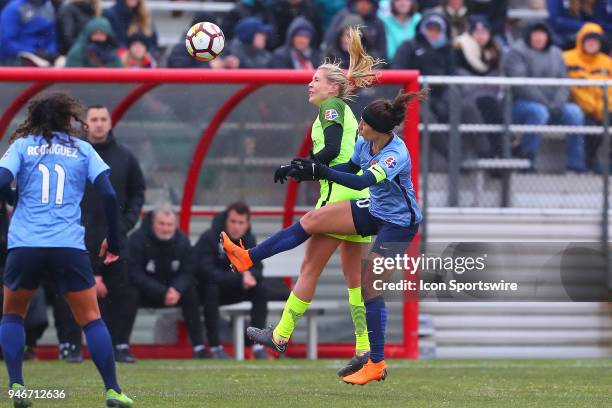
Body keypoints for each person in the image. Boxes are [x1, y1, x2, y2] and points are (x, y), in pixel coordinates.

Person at [223, 90, 425, 385]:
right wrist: (307, 172)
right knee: (312, 219)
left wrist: (322, 170)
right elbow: (350, 168)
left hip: (399, 224)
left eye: (364, 123)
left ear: (379, 129)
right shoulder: (366, 141)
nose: (359, 124)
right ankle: (246, 257)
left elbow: (362, 180)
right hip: (375, 210)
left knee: (369, 285)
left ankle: (376, 363)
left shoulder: (395, 153)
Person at [249, 26, 383, 377]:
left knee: (307, 241)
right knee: (351, 279)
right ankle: (364, 348)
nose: (310, 84)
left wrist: (307, 167)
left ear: (333, 87)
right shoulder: (337, 107)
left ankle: (248, 261)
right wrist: (303, 167)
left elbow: (334, 149)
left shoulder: (333, 106)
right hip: (358, 197)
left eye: (316, 80)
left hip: (342, 197)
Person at [0, 92, 133, 407]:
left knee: (12, 315)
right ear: (67, 119)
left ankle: (18, 388)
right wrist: (113, 241)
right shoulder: (83, 149)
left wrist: (13, 199)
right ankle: (112, 390)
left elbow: (2, 179)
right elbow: (111, 196)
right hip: (67, 245)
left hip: (26, 244)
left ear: (36, 119)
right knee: (91, 318)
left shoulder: (22, 146)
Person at [502, 21, 586, 172]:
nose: (539, 37)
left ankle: (576, 165)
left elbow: (564, 82)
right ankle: (527, 160)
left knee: (574, 113)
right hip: (522, 105)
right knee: (538, 112)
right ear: (529, 34)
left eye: (542, 34)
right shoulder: (517, 51)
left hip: (553, 105)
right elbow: (521, 85)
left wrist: (558, 102)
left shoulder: (556, 53)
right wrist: (545, 104)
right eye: (535, 34)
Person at [127, 205, 207, 359]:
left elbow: (188, 270)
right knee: (130, 293)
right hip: (146, 293)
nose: (165, 229)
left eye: (169, 225)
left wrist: (176, 289)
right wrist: (161, 291)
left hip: (172, 294)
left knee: (190, 292)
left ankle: (199, 347)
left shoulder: (182, 241)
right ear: (153, 223)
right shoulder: (137, 239)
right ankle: (121, 345)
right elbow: (134, 274)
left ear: (175, 225)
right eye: (161, 224)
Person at [194, 203, 269, 359]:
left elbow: (258, 269)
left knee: (261, 290)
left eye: (241, 223)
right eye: (233, 222)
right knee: (211, 289)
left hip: (235, 289)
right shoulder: (210, 237)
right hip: (211, 291)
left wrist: (250, 276)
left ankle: (257, 346)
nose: (236, 227)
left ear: (247, 224)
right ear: (226, 221)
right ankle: (215, 347)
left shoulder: (248, 239)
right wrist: (240, 277)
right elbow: (206, 272)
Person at [563, 22, 612, 173]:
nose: (591, 43)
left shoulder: (607, 62)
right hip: (580, 106)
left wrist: (605, 107)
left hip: (604, 106)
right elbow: (571, 88)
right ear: (581, 41)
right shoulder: (567, 58)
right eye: (588, 40)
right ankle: (589, 161)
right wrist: (590, 106)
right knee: (589, 124)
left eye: (595, 41)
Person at [454, 14, 503, 157]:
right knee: (486, 103)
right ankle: (496, 150)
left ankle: (499, 151)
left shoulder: (495, 51)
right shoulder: (460, 50)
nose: (481, 36)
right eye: (477, 32)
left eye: (484, 32)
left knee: (493, 104)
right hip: (468, 96)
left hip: (491, 96)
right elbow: (460, 75)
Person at [0, 0, 58, 66]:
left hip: (45, 58)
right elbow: (6, 42)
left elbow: (52, 37)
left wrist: (51, 55)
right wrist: (33, 54)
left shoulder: (48, 7)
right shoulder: (14, 8)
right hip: (19, 59)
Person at [547, 0, 612, 50]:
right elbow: (555, 20)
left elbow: (596, 20)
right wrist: (584, 26)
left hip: (585, 34)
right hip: (562, 35)